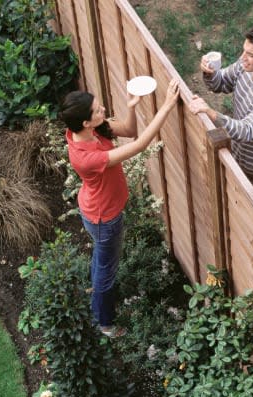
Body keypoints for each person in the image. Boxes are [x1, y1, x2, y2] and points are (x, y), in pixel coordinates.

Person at [59, 79, 180, 338]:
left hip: (94, 208)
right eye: (97, 110)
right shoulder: (86, 157)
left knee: (101, 259)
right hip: (104, 218)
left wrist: (132, 106)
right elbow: (139, 146)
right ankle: (105, 323)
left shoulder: (92, 130)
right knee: (107, 270)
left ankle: (95, 291)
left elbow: (130, 130)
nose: (103, 109)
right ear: (85, 122)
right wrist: (167, 106)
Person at [189, 22, 253, 236]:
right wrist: (210, 73)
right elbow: (221, 83)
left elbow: (246, 130)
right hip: (239, 161)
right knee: (246, 224)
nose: (244, 58)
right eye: (244, 51)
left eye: (251, 55)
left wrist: (210, 113)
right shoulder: (245, 67)